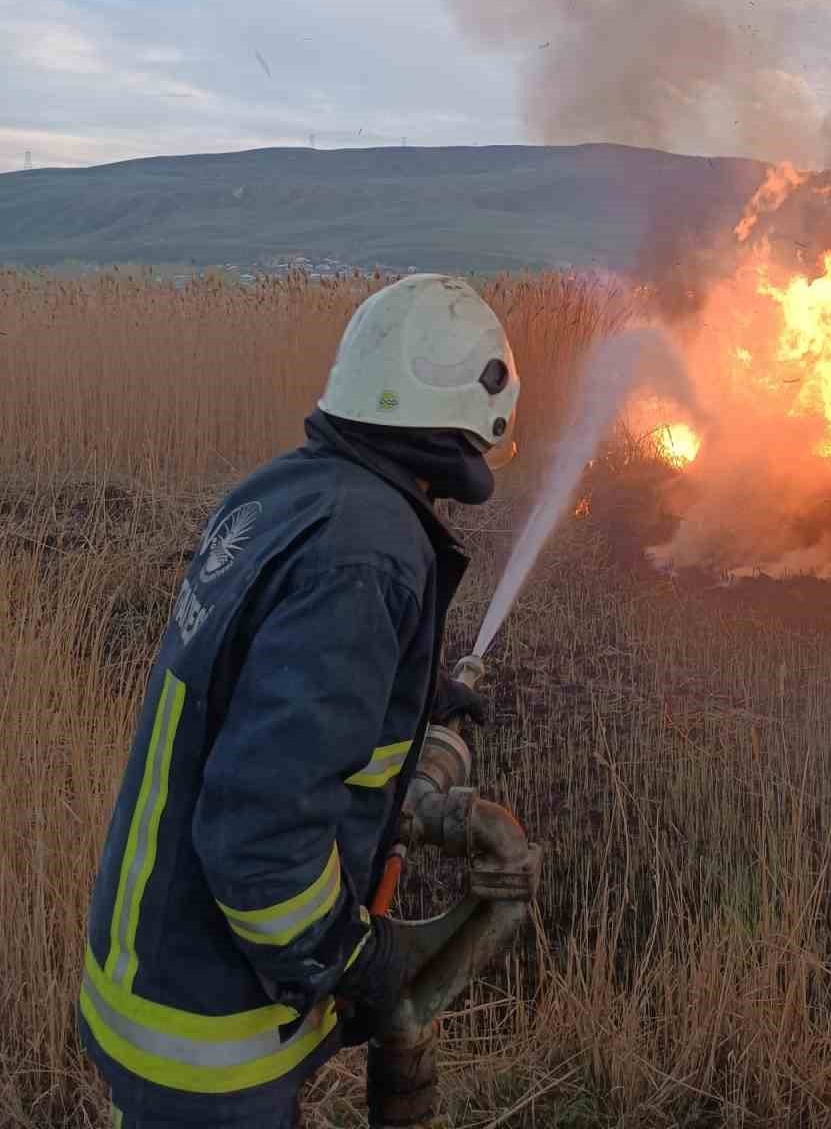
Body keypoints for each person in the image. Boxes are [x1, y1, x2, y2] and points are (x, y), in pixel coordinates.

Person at [79, 274, 519, 1127]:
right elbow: (258, 831)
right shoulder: (369, 554)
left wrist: (403, 687)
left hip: (147, 967)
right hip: (207, 1032)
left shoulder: (288, 490)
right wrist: (349, 954)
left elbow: (270, 677)